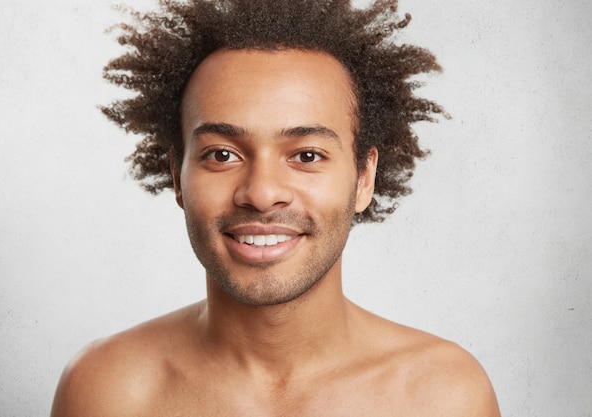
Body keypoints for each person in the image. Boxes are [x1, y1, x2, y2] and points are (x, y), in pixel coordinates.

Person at [51, 0, 500, 415]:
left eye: (306, 155)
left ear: (364, 178)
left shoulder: (443, 396)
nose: (262, 194)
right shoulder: (106, 391)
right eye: (222, 154)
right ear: (177, 177)